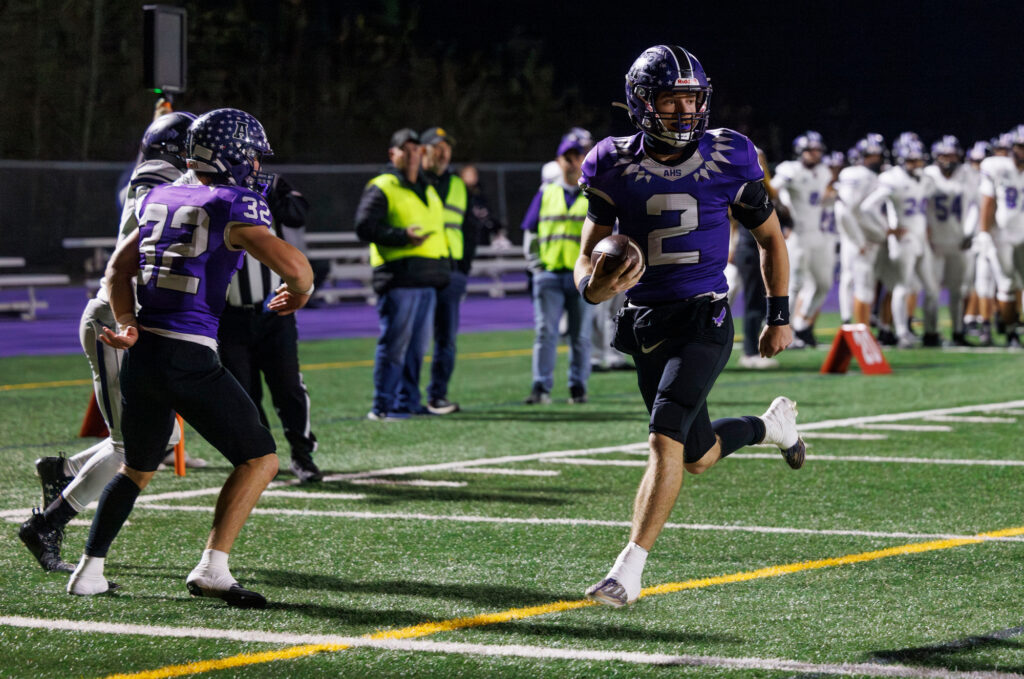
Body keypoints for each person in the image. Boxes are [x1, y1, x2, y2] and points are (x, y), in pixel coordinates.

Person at [575, 45, 804, 608]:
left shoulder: (731, 155)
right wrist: (596, 286)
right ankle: (771, 427)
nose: (682, 111)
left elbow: (770, 238)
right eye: (670, 99)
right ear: (640, 102)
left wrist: (778, 315)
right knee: (697, 455)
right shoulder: (609, 162)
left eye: (690, 98)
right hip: (646, 321)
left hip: (705, 315)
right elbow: (585, 260)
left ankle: (628, 571)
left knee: (663, 435)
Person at [66, 108, 314, 609]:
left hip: (145, 353)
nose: (256, 165)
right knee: (261, 459)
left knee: (136, 467)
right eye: (251, 156)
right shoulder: (233, 202)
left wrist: (127, 322)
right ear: (232, 158)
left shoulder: (159, 196)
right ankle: (212, 567)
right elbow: (297, 267)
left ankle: (88, 571)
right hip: (189, 353)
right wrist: (300, 291)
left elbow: (117, 269)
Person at [19, 111, 197, 574]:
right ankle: (48, 523)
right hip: (116, 322)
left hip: (127, 322)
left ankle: (64, 473)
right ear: (180, 152)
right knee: (129, 446)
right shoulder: (158, 179)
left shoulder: (161, 177)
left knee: (164, 434)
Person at [218, 173, 323, 482]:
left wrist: (268, 192)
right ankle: (262, 456)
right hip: (228, 315)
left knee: (288, 385)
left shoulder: (269, 183)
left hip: (274, 309)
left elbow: (297, 214)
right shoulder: (205, 189)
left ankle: (303, 455)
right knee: (243, 393)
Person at [355, 128, 450, 420]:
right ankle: (383, 406)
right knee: (395, 346)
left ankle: (408, 401)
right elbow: (364, 227)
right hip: (399, 279)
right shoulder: (383, 186)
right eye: (405, 150)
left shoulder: (428, 187)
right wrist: (402, 236)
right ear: (392, 154)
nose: (412, 156)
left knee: (417, 348)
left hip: (427, 279)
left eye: (416, 150)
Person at [522, 135, 593, 404]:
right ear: (558, 161)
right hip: (549, 275)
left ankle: (578, 388)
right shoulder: (546, 192)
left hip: (582, 278)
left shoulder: (594, 194)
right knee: (545, 333)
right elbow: (531, 233)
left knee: (581, 336)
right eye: (568, 157)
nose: (574, 163)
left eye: (579, 156)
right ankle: (541, 388)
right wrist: (537, 267)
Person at [861, 135, 940, 348]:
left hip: (921, 238)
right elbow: (868, 207)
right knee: (901, 286)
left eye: (919, 160)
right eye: (912, 160)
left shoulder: (925, 179)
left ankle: (931, 333)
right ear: (902, 160)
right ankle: (902, 333)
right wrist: (887, 229)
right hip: (903, 241)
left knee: (932, 289)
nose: (917, 164)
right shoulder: (892, 178)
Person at [421, 126, 476, 414]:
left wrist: (463, 269)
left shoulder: (457, 184)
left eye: (446, 148)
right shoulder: (413, 181)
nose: (443, 153)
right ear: (423, 151)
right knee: (414, 339)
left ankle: (437, 396)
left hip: (450, 271)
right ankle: (404, 398)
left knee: (446, 340)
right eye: (436, 147)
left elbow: (470, 229)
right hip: (420, 269)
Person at [771, 131, 835, 348]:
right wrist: (783, 219)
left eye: (818, 150)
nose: (814, 154)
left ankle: (800, 323)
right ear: (800, 151)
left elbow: (819, 198)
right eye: (810, 150)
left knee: (824, 283)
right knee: (795, 284)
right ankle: (782, 328)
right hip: (797, 235)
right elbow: (771, 192)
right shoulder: (790, 169)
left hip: (817, 234)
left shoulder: (824, 171)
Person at [924, 135, 976, 346]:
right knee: (932, 290)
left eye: (952, 154)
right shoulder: (928, 175)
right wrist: (926, 234)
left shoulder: (967, 174)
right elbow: (920, 208)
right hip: (934, 242)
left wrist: (969, 232)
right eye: (944, 154)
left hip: (958, 240)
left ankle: (958, 331)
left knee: (958, 290)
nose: (949, 158)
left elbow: (974, 205)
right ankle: (930, 333)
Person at [835, 134, 889, 327]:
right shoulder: (856, 174)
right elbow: (844, 212)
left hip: (864, 237)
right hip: (859, 239)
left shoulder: (872, 176)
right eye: (869, 155)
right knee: (860, 284)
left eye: (877, 155)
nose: (875, 159)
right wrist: (858, 240)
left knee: (860, 282)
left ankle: (852, 324)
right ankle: (856, 327)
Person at [978, 124, 1024, 348]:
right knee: (1006, 284)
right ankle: (1010, 332)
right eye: (1020, 146)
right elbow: (988, 201)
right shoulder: (997, 167)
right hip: (1003, 235)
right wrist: (984, 233)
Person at [459, 163, 509, 248]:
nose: (472, 177)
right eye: (469, 174)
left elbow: (490, 218)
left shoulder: (481, 197)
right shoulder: (459, 196)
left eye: (474, 174)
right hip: (464, 242)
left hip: (482, 241)